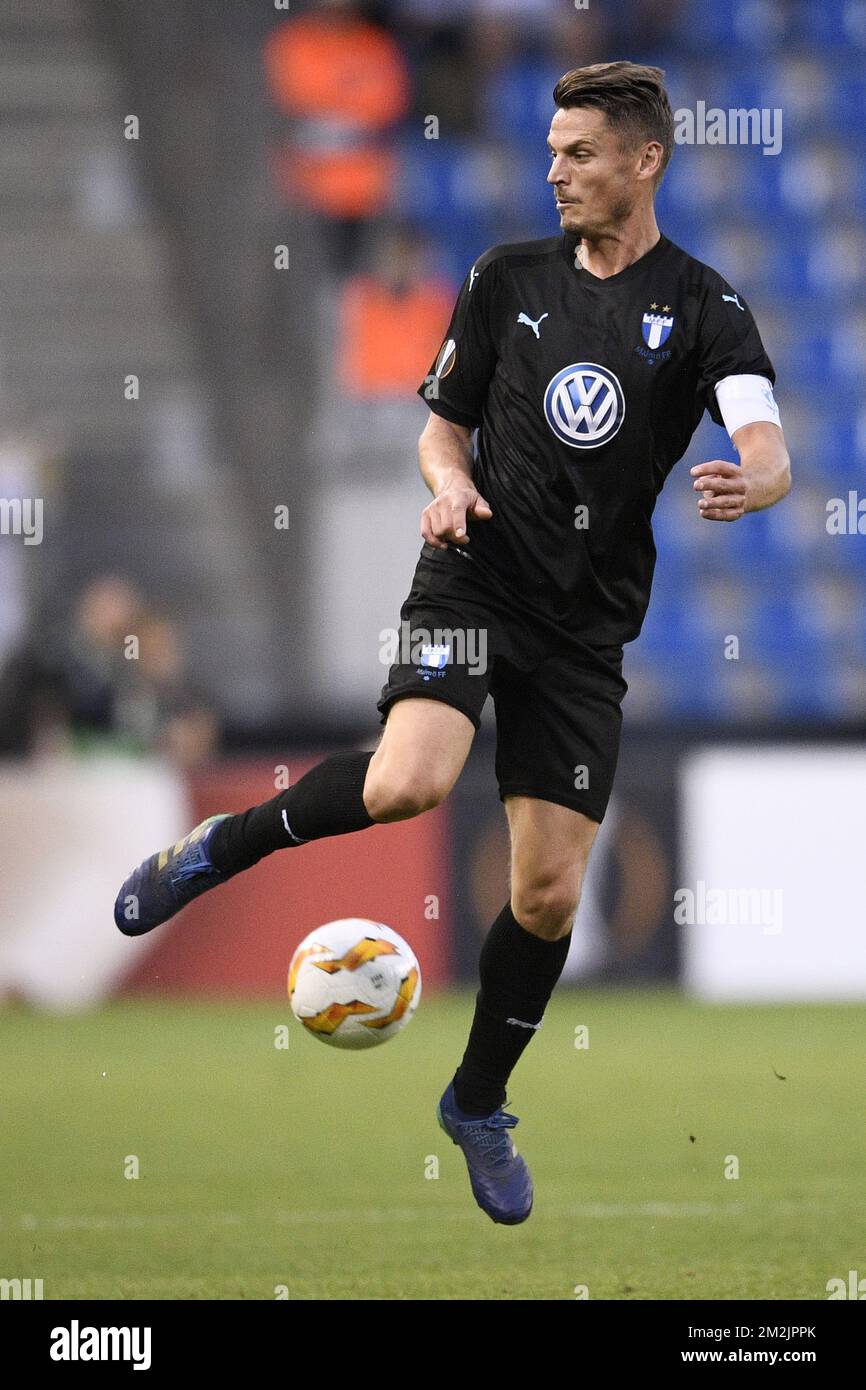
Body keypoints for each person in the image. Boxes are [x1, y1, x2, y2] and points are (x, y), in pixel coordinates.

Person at [114, 62, 791, 1226]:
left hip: (584, 630)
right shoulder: (503, 277)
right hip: (473, 570)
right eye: (551, 150)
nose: (555, 171)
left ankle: (475, 1101)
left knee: (544, 893)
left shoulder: (706, 307)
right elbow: (443, 432)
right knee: (406, 782)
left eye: (580, 152)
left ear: (645, 161)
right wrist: (442, 489)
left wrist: (763, 479)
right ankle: (222, 846)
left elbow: (762, 437)